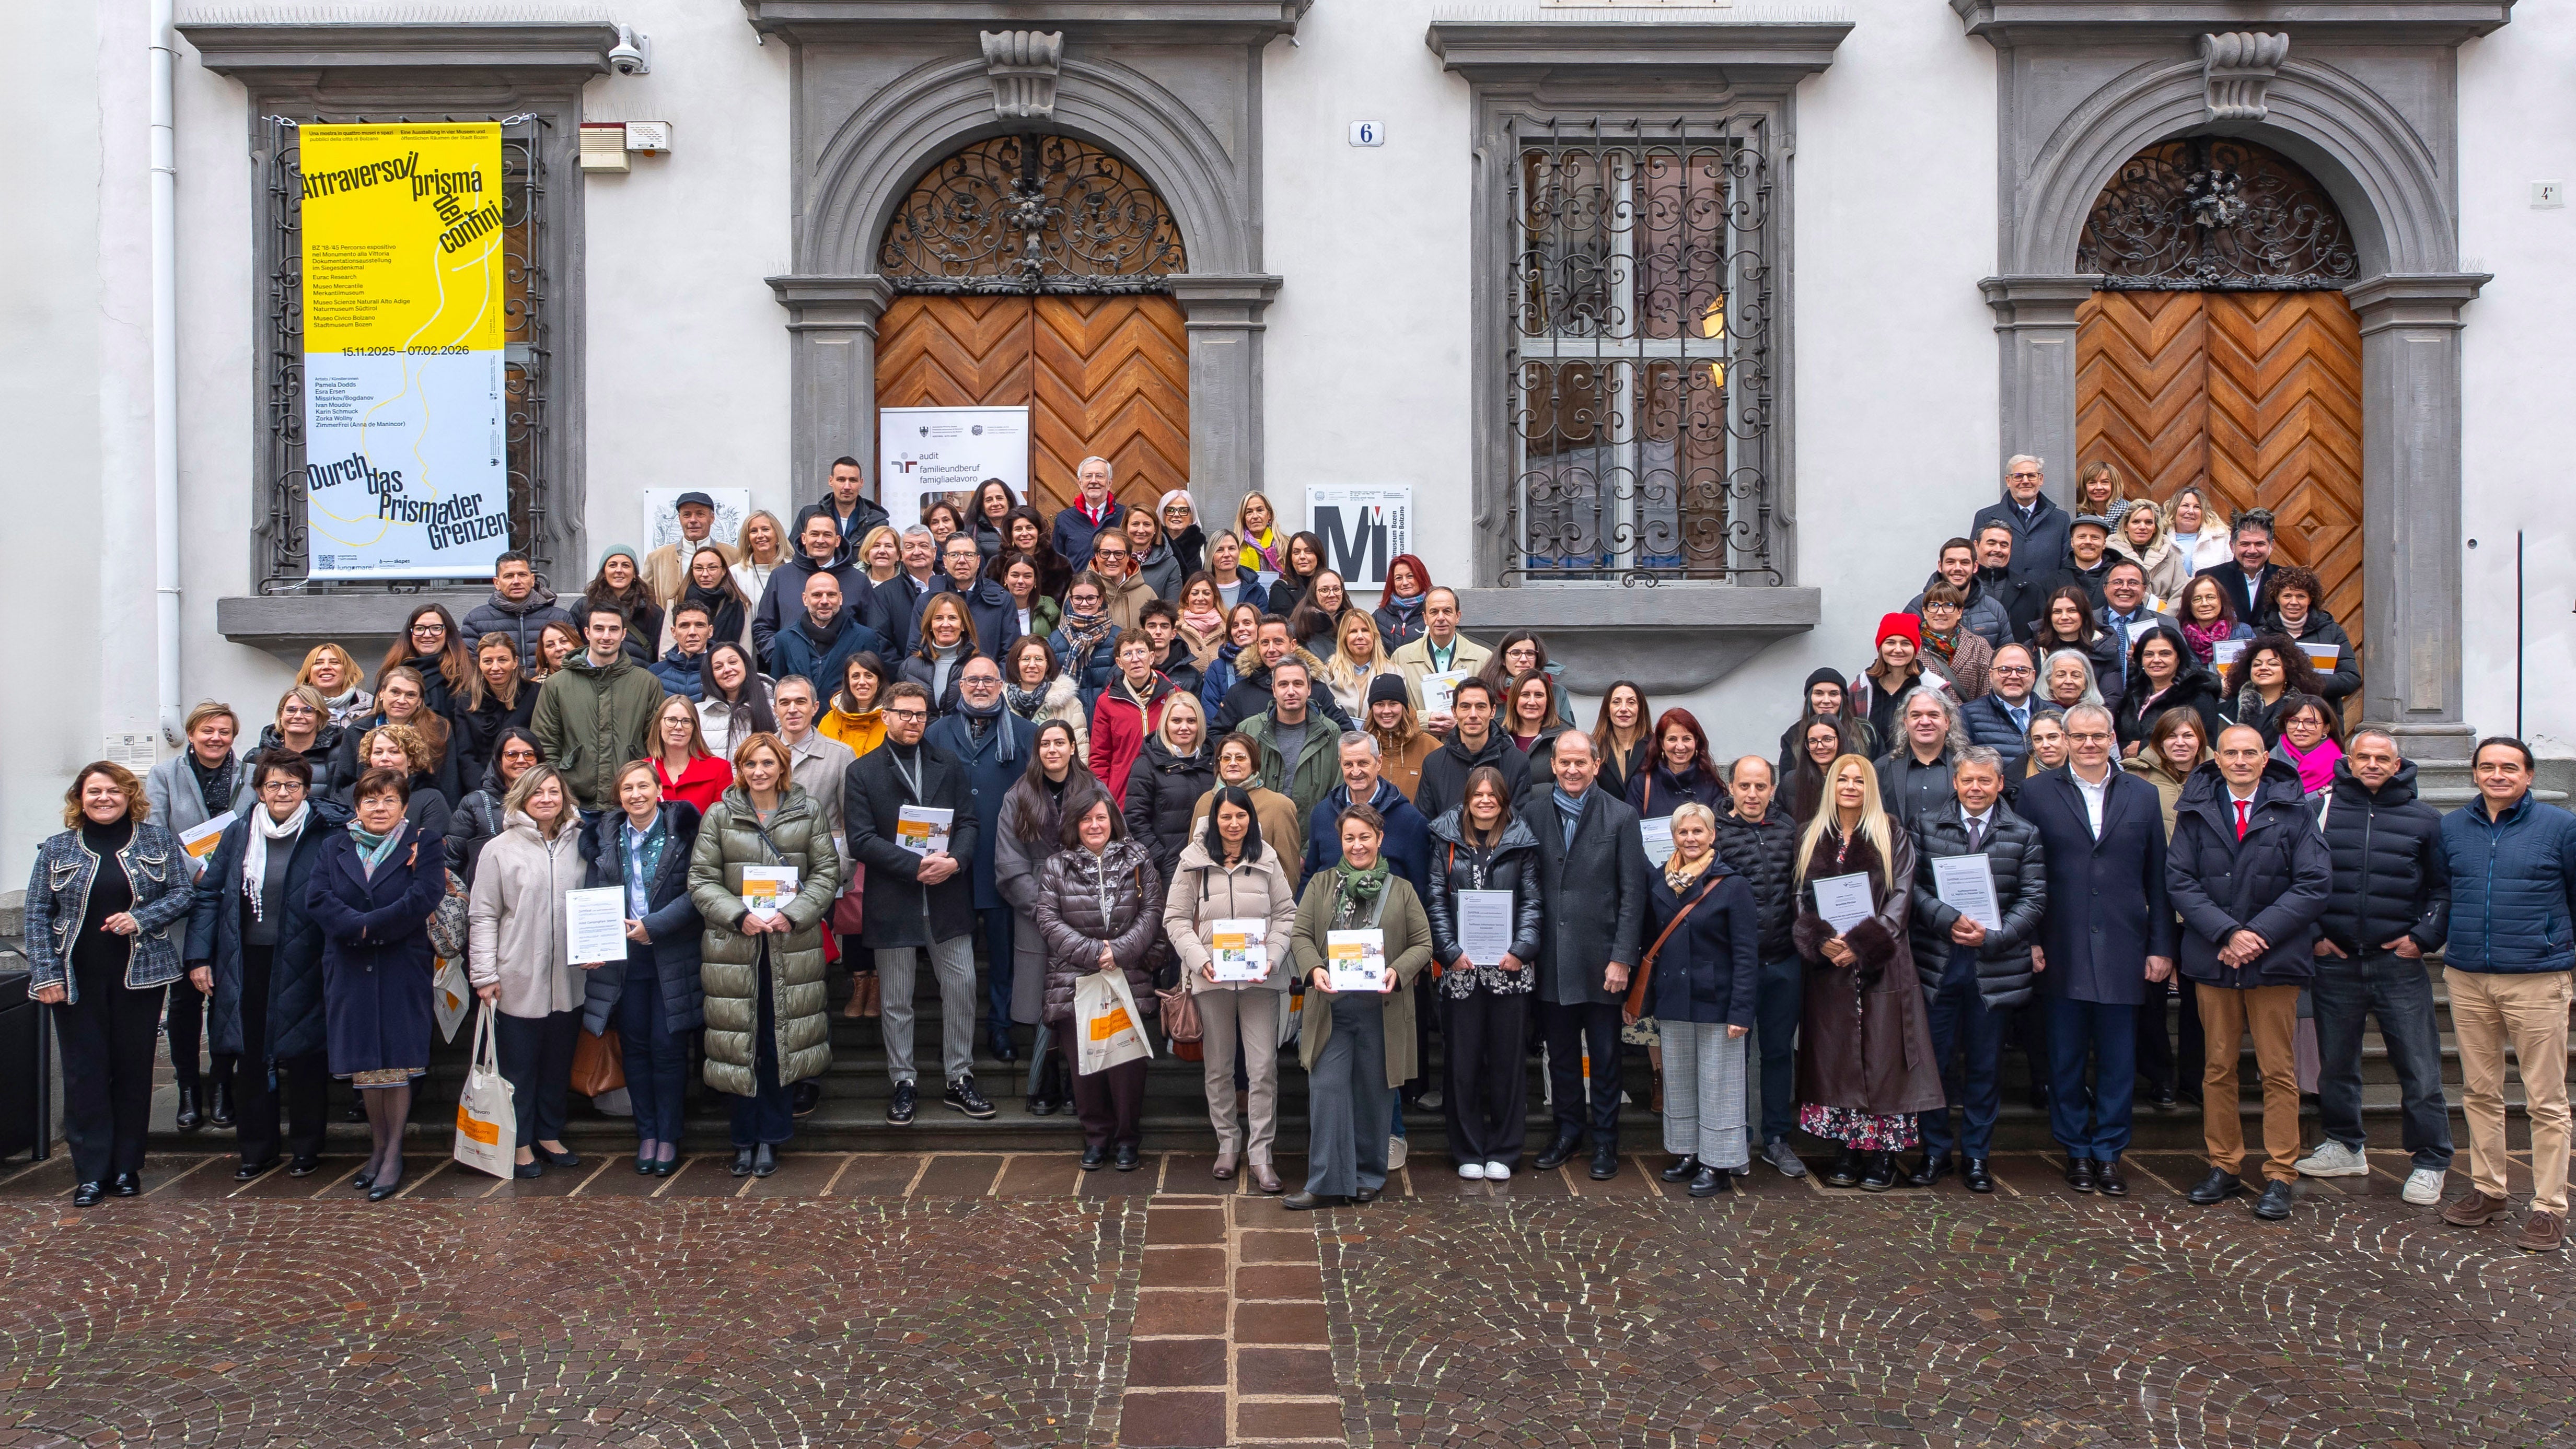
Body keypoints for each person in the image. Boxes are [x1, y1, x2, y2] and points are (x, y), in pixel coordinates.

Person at [2166, 723, 2331, 1221]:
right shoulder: (2195, 813)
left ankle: (2281, 1172)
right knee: (2217, 1068)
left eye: (2250, 753)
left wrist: (2255, 933)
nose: (2240, 761)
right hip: (2215, 958)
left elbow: (2314, 883)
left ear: (2266, 759)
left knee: (2278, 1070)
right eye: (2231, 753)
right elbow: (2180, 880)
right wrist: (2226, 933)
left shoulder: (2297, 811)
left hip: (2274, 958)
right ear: (2217, 759)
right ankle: (2225, 1165)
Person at [2016, 703, 2176, 1195]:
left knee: (2117, 1059)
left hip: (2125, 947)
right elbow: (2025, 874)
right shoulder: (2036, 794)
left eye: (2097, 736)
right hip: (2060, 944)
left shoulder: (2144, 796)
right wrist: (2032, 940)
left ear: (2112, 738)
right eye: (2078, 736)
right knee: (2064, 1057)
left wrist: (2161, 947)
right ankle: (2076, 1150)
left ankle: (2109, 1151)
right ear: (2062, 740)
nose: (2088, 744)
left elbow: (2159, 878)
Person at [2290, 729, 2452, 1206]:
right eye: (2365, 757)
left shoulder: (2425, 820)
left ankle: (2430, 1160)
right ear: (2349, 760)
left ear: (2398, 763)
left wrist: (2423, 938)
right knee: (2337, 1064)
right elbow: (2297, 877)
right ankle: (2344, 1145)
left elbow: (2442, 890)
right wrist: (2315, 936)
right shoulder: (2319, 811)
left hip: (2397, 963)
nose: (2374, 765)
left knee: (2419, 1067)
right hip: (2336, 960)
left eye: (2384, 758)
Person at [25, 762, 194, 1204]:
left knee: (133, 1071)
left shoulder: (156, 840)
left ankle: (126, 1168)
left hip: (140, 977)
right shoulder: (58, 848)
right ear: (80, 798)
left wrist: (140, 918)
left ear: (129, 795)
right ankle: (91, 1173)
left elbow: (182, 894)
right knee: (85, 1074)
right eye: (94, 791)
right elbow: (38, 914)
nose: (104, 798)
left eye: (113, 791)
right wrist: (46, 974)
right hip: (75, 979)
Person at [2434, 737, 2576, 1253]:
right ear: (2473, 773)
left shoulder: (2561, 827)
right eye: (2488, 766)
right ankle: (2488, 1188)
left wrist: (2563, 954)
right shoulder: (2451, 827)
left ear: (2529, 775)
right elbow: (2442, 890)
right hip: (2468, 974)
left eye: (2509, 767)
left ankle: (2548, 1205)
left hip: (2536, 976)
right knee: (2479, 1090)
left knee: (2546, 1098)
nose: (2498, 774)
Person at [185, 751, 347, 1181]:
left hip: (305, 960)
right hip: (246, 961)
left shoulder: (325, 832)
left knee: (308, 1057)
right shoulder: (240, 833)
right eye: (273, 785)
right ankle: (256, 1150)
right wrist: (200, 957)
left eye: (292, 785)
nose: (282, 793)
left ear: (305, 791)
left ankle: (307, 1149)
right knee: (252, 1059)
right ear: (259, 790)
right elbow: (209, 895)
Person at [690, 733, 842, 1176]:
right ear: (740, 768)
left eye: (767, 763)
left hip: (789, 946)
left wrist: (793, 915)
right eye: (751, 764)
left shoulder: (807, 810)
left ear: (782, 767)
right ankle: (742, 1139)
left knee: (780, 1042)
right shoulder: (720, 815)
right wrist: (739, 916)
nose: (759, 772)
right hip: (734, 948)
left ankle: (772, 1139)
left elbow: (826, 872)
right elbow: (701, 879)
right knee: (739, 1044)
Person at [1790, 754, 1942, 1191]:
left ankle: (1882, 1155)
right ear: (1831, 786)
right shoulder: (1811, 834)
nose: (1851, 787)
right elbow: (1800, 895)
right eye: (1843, 780)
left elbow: (1901, 897)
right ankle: (1847, 1149)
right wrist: (1821, 941)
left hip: (1881, 964)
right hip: (1830, 969)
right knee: (1836, 1059)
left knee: (1883, 1058)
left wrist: (1860, 945)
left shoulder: (1891, 832)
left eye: (1859, 780)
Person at [845, 682, 993, 1125]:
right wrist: (913, 866)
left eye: (921, 714)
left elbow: (969, 822)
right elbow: (860, 839)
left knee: (963, 986)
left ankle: (959, 1078)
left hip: (947, 895)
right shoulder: (863, 771)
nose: (914, 721)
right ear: (885, 715)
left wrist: (956, 861)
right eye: (905, 713)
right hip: (895, 897)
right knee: (895, 998)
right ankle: (903, 1082)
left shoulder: (947, 762)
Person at [1905, 748, 2048, 1191]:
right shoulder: (1927, 826)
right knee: (1934, 1064)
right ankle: (1934, 1153)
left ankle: (1977, 1158)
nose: (1975, 788)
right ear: (1955, 782)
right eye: (1968, 780)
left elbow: (2035, 899)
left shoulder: (2024, 833)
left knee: (1986, 1068)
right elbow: (1912, 888)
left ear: (2000, 784)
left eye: (1985, 781)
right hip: (1938, 965)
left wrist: (1995, 936)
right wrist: (1947, 920)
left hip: (1994, 966)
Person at [1284, 803, 1434, 1209]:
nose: (1357, 845)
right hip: (1331, 1007)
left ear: (1380, 839)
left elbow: (1424, 944)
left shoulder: (1401, 890)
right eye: (1349, 838)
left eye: (1365, 837)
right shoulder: (1320, 884)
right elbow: (1300, 934)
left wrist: (1398, 971)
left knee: (1374, 1096)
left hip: (1381, 1011)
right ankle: (1325, 1181)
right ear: (1340, 840)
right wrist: (1313, 968)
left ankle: (1369, 1174)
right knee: (1327, 1090)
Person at [308, 766, 447, 1201]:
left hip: (401, 964)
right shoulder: (333, 846)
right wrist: (358, 928)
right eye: (370, 800)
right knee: (367, 1062)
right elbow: (317, 899)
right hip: (349, 966)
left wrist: (373, 927)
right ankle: (377, 1147)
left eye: (389, 799)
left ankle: (394, 1153)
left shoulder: (423, 844)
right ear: (357, 807)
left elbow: (424, 895)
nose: (379, 807)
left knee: (398, 1061)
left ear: (404, 806)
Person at [1529, 731, 1653, 1181]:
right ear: (1554, 766)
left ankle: (1605, 1141)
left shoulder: (1620, 817)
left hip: (1604, 962)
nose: (1573, 770)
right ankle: (1567, 1133)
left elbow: (1632, 894)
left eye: (1581, 762)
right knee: (1561, 1057)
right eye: (1565, 762)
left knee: (1603, 1059)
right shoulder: (1534, 812)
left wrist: (1623, 957)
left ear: (1596, 765)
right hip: (1551, 960)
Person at [1164, 784, 1298, 1190]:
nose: (1234, 823)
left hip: (1260, 980)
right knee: (1219, 1068)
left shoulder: (1268, 858)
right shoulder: (1193, 861)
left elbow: (1287, 915)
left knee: (1263, 1069)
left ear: (1250, 820)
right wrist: (1199, 960)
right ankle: (1227, 1143)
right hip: (1212, 979)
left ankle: (1261, 1155)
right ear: (1215, 819)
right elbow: (1175, 919)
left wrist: (1272, 958)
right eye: (1226, 816)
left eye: (1241, 816)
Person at [465, 763, 591, 1181]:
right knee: (518, 1068)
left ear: (565, 797)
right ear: (522, 797)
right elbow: (482, 915)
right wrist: (484, 975)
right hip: (517, 975)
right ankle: (519, 1142)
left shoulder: (581, 843)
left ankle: (550, 1134)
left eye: (554, 792)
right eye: (538, 793)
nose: (546, 800)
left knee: (558, 1063)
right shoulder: (499, 849)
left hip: (570, 978)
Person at [578, 759, 704, 1178]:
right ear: (620, 796)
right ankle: (646, 1133)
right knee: (635, 1049)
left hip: (670, 954)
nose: (636, 795)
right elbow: (593, 893)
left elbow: (697, 891)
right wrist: (590, 942)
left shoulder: (683, 833)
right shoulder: (605, 838)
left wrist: (654, 927)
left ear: (659, 790)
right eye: (628, 788)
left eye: (643, 786)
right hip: (623, 961)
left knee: (668, 1050)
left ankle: (668, 1136)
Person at [1423, 766, 1544, 1182]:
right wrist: (1450, 951)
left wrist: (1521, 949)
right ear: (1468, 798)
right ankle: (1468, 1149)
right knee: (1463, 1063)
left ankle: (1506, 1151)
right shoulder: (1445, 840)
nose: (1486, 801)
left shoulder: (1521, 841)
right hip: (1461, 971)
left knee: (1508, 1064)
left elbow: (1532, 902)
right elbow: (1435, 899)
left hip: (1510, 971)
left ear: (1504, 800)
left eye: (1494, 795)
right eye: (1479, 795)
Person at [145, 700, 256, 1132]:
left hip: (234, 900)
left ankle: (222, 1087)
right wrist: (196, 870)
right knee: (186, 1000)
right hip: (183, 901)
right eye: (208, 731)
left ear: (234, 737)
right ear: (191, 734)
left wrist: (226, 869)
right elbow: (155, 834)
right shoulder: (164, 775)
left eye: (225, 732)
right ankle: (188, 1089)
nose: (216, 738)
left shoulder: (249, 774)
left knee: (228, 997)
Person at [1035, 794, 1162, 1169]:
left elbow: (1153, 912)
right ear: (1074, 824)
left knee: (1127, 1067)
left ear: (1114, 821)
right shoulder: (1056, 866)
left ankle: (1126, 1140)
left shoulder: (1138, 859)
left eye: (1101, 818)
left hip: (1127, 976)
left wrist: (1119, 952)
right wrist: (1095, 954)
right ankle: (1096, 1138)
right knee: (1085, 1066)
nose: (1094, 825)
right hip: (1077, 980)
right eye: (1086, 819)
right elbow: (1048, 921)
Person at [925, 655, 1037, 1061]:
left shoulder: (1026, 733)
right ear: (960, 685)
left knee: (1004, 955)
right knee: (955, 960)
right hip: (951, 862)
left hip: (1005, 860)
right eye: (972, 680)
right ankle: (960, 1032)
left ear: (1002, 686)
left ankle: (1001, 1027)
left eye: (989, 680)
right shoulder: (936, 733)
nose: (980, 687)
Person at [996, 723, 1111, 1116]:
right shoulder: (1019, 795)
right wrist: (1044, 908)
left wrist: (1086, 902)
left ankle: (1076, 1081)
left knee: (1082, 996)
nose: (1052, 749)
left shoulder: (1094, 789)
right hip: (1035, 909)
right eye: (1045, 743)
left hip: (1087, 906)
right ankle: (1043, 1078)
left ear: (1073, 746)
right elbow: (1009, 864)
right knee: (1041, 994)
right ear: (1037, 750)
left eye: (1060, 742)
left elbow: (1113, 841)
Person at [1711, 756, 1806, 1178]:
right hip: (1735, 967)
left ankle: (1776, 1139)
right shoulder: (1714, 834)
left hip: (1785, 960)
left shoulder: (1789, 831)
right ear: (1731, 787)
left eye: (1761, 787)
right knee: (1734, 1055)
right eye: (1745, 786)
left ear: (1772, 789)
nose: (1753, 795)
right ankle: (1733, 1137)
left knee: (1779, 1052)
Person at [531, 610, 667, 812]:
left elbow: (656, 744)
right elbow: (546, 743)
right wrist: (558, 790)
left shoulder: (646, 683)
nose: (606, 636)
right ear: (587, 633)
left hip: (630, 802)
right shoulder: (557, 685)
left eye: (613, 630)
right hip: (575, 803)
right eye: (599, 629)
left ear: (623, 634)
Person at [331, 665, 464, 809]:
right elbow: (341, 787)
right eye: (395, 692)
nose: (401, 700)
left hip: (422, 811)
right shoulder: (357, 730)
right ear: (381, 693)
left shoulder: (439, 730)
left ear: (420, 701)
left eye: (411, 695)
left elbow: (450, 785)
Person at [1189, 731, 1307, 890]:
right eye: (1226, 758)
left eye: (1240, 758)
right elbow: (1192, 863)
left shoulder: (1280, 806)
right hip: (1211, 905)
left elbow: (1289, 872)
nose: (1232, 763)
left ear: (1254, 763)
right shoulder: (1205, 802)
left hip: (1260, 905)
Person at [751, 511, 869, 663]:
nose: (820, 540)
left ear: (837, 540)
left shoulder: (859, 581)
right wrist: (779, 656)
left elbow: (870, 632)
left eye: (827, 535)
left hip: (843, 678)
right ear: (804, 538)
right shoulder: (781, 577)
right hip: (792, 676)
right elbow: (763, 627)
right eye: (814, 534)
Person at [1121, 691, 1213, 885]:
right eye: (1177, 721)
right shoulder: (1146, 765)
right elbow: (1135, 819)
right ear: (1166, 724)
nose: (1184, 728)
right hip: (1169, 869)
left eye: (1191, 721)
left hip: (1212, 864)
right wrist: (1160, 857)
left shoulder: (1214, 762)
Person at [1241, 656, 1343, 826]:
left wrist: (1309, 849)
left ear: (1309, 688)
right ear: (1274, 690)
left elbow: (1337, 794)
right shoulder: (1248, 731)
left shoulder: (1331, 733)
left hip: (1312, 840)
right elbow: (1235, 789)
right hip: (1259, 840)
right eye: (1283, 685)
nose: (1291, 691)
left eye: (1298, 684)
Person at [1413, 676, 1527, 825]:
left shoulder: (1517, 762)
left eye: (1481, 707)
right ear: (1454, 712)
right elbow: (1425, 824)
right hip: (1448, 848)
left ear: (1493, 711)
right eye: (1465, 706)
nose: (1473, 715)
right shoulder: (1433, 763)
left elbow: (1518, 825)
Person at [1212, 615, 1352, 735]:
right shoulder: (1239, 693)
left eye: (1278, 641)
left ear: (1293, 645)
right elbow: (1216, 735)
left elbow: (1346, 732)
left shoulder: (1317, 690)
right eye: (1265, 643)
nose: (1271, 649)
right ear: (1258, 646)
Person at [770, 570, 893, 704]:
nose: (825, 601)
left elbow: (877, 688)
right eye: (817, 595)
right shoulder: (785, 639)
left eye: (831, 595)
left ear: (840, 599)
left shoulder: (864, 637)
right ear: (805, 599)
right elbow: (778, 689)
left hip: (847, 720)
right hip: (802, 721)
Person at [2114, 622, 2227, 758]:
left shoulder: (2198, 695)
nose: (2156, 660)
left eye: (2165, 654)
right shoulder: (2134, 693)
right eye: (2149, 655)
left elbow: (2205, 745)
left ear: (2178, 658)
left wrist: (2143, 748)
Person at [2253, 565, 2361, 708]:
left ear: (2310, 599)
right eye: (2287, 596)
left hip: (2322, 717)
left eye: (2301, 596)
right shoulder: (2260, 634)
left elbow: (2351, 678)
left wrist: (2309, 682)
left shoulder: (2332, 631)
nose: (2294, 602)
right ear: (2277, 598)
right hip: (2274, 718)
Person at [1088, 628, 1175, 802]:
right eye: (1128, 654)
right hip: (1123, 795)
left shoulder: (1173, 696)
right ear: (1119, 663)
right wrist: (1104, 799)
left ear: (1151, 657)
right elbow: (1099, 759)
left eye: (1141, 652)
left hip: (1167, 792)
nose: (1135, 659)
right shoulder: (1107, 702)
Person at [1389, 588, 1493, 732]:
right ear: (1425, 618)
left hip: (1468, 748)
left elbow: (1490, 709)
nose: (1440, 618)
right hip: (1420, 745)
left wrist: (1460, 723)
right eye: (1434, 612)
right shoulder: (1402, 658)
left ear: (1458, 616)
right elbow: (1393, 708)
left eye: (1447, 611)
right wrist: (1425, 720)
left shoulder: (1483, 658)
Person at [1970, 454, 2072, 600]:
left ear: (2041, 479)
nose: (2025, 481)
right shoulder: (1986, 517)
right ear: (2008, 481)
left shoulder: (2060, 519)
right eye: (2018, 476)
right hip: (1998, 602)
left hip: (2046, 602)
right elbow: (1974, 562)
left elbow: (2066, 567)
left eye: (2031, 476)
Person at [449, 726, 542, 885]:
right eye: (512, 755)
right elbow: (452, 864)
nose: (521, 760)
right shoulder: (474, 804)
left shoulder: (552, 803)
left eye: (529, 754)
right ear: (499, 760)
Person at [909, 532, 1023, 662]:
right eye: (955, 555)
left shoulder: (1002, 600)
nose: (962, 561)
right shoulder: (926, 601)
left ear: (978, 561)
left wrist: (993, 681)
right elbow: (915, 653)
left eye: (969, 555)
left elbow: (1011, 654)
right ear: (945, 561)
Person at [459, 551, 573, 673]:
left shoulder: (560, 618)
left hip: (548, 689)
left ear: (532, 580)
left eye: (522, 575)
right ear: (497, 583)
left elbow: (573, 661)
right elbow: (471, 666)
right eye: (509, 576)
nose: (516, 581)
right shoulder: (476, 620)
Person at [344, 725, 455, 848]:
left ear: (411, 759)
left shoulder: (431, 798)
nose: (384, 758)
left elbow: (432, 848)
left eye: (394, 752)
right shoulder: (353, 792)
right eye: (378, 752)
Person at [1851, 614, 1946, 752]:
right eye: (1890, 643)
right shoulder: (1862, 687)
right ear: (1881, 647)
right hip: (1870, 770)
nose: (1898, 649)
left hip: (1916, 769)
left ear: (1915, 649)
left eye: (1905, 643)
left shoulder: (1934, 687)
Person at [1874, 687, 1967, 829]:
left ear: (1947, 722)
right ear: (1905, 723)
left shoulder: (1966, 766)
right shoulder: (1881, 769)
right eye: (1916, 715)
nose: (1925, 722)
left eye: (1933, 715)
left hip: (1953, 851)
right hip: (1900, 850)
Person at [2027, 586, 2126, 715]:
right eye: (2057, 612)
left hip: (2089, 724)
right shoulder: (2033, 649)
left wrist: (2080, 725)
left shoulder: (2105, 648)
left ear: (2084, 615)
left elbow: (2111, 697)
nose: (2064, 617)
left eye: (2072, 611)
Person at [455, 634, 537, 784]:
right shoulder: (467, 700)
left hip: (528, 783)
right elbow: (466, 754)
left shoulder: (536, 694)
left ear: (515, 662)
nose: (495, 667)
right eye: (488, 661)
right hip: (481, 786)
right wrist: (484, 790)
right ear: (479, 665)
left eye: (503, 660)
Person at [1903, 537, 2014, 649]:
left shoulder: (1995, 609)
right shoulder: (1918, 607)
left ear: (1975, 567)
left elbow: (2006, 657)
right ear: (1940, 566)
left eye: (1964, 563)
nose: (1957, 568)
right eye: (1951, 562)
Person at [1774, 668, 1876, 787]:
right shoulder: (1793, 736)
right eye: (1819, 693)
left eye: (1833, 694)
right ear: (1810, 698)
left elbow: (1877, 775)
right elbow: (1787, 786)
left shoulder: (1865, 732)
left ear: (1842, 698)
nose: (1826, 700)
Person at [568, 546, 664, 667]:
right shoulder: (583, 607)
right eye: (613, 565)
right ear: (604, 572)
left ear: (635, 574)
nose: (619, 570)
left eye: (626, 566)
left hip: (638, 680)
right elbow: (573, 648)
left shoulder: (652, 611)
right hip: (593, 678)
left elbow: (660, 656)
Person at [792, 455, 892, 569]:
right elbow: (794, 553)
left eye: (853, 480)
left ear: (861, 483)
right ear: (831, 481)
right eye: (841, 480)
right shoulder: (809, 515)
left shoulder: (877, 522)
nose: (847, 487)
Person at [2222, 634, 2326, 744]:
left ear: (2288, 671)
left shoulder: (2306, 710)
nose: (2263, 668)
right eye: (2257, 664)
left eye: (2273, 664)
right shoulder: (2226, 710)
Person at [1627, 707, 1726, 822]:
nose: (1680, 747)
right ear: (1662, 743)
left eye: (1686, 739)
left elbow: (1720, 831)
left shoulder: (1711, 785)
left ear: (1696, 742)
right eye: (1672, 739)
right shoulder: (1640, 785)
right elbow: (1631, 833)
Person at [378, 602, 474, 718]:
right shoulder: (392, 669)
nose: (427, 634)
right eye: (420, 628)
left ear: (448, 633)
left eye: (436, 628)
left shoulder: (465, 672)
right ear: (410, 633)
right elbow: (378, 713)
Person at [642, 491, 740, 602]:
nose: (693, 520)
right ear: (680, 519)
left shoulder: (734, 556)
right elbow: (645, 601)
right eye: (687, 515)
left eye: (700, 514)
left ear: (712, 518)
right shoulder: (657, 559)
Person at [658, 547, 755, 660]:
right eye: (699, 568)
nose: (705, 574)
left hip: (726, 672)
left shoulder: (741, 604)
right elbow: (665, 652)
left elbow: (745, 653)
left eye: (712, 568)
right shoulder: (677, 601)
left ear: (724, 570)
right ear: (692, 571)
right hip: (682, 672)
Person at [1961, 644, 2041, 776]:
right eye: (2004, 670)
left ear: (2033, 675)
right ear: (1991, 675)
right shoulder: (1967, 716)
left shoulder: (2055, 714)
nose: (2014, 676)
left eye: (2022, 670)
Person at [259, 685, 349, 801]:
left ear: (320, 717)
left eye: (308, 710)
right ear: (281, 715)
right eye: (291, 710)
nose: (298, 716)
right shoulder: (261, 754)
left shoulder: (341, 754)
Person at [1004, 634, 1088, 756]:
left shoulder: (1070, 704)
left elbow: (1080, 753)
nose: (1032, 665)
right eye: (1026, 659)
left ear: (1047, 665)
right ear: (1016, 664)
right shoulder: (1002, 704)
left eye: (1039, 659)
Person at [647, 693, 733, 812]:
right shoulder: (644, 770)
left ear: (695, 727)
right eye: (671, 720)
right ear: (659, 724)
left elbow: (723, 822)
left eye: (686, 721)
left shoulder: (719, 769)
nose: (678, 727)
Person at [900, 593, 981, 716]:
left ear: (963, 625)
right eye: (938, 618)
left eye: (953, 618)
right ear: (930, 625)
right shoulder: (909, 667)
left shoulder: (982, 664)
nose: (945, 624)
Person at [695, 642, 778, 759]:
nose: (727, 669)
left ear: (745, 664)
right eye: (718, 667)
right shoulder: (698, 714)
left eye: (733, 662)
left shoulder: (774, 707)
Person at [1051, 573, 1125, 704]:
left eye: (1091, 598)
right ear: (1071, 600)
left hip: (1107, 716)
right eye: (1078, 598)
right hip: (1070, 716)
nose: (1084, 604)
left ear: (1101, 600)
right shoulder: (1056, 640)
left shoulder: (1118, 637)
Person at [1913, 583, 1993, 701]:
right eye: (1934, 605)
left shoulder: (1979, 645)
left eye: (1948, 605)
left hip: (1968, 718)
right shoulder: (1913, 645)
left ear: (1960, 612)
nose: (1940, 612)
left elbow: (1988, 693)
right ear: (1925, 612)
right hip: (1926, 718)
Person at [1361, 676, 1436, 803]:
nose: (1386, 711)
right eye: (1379, 704)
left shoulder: (1432, 748)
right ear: (1372, 708)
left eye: (1393, 704)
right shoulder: (1362, 747)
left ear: (1404, 707)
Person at [2198, 509, 2278, 621]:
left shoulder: (2286, 578)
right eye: (2245, 544)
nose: (2252, 550)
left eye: (2260, 544)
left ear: (2272, 546)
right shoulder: (2210, 578)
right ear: (2232, 546)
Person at [1971, 523, 2045, 641]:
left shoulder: (2031, 591)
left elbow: (2041, 636)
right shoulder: (1963, 587)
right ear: (1976, 545)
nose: (1998, 550)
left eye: (2004, 545)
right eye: (1991, 543)